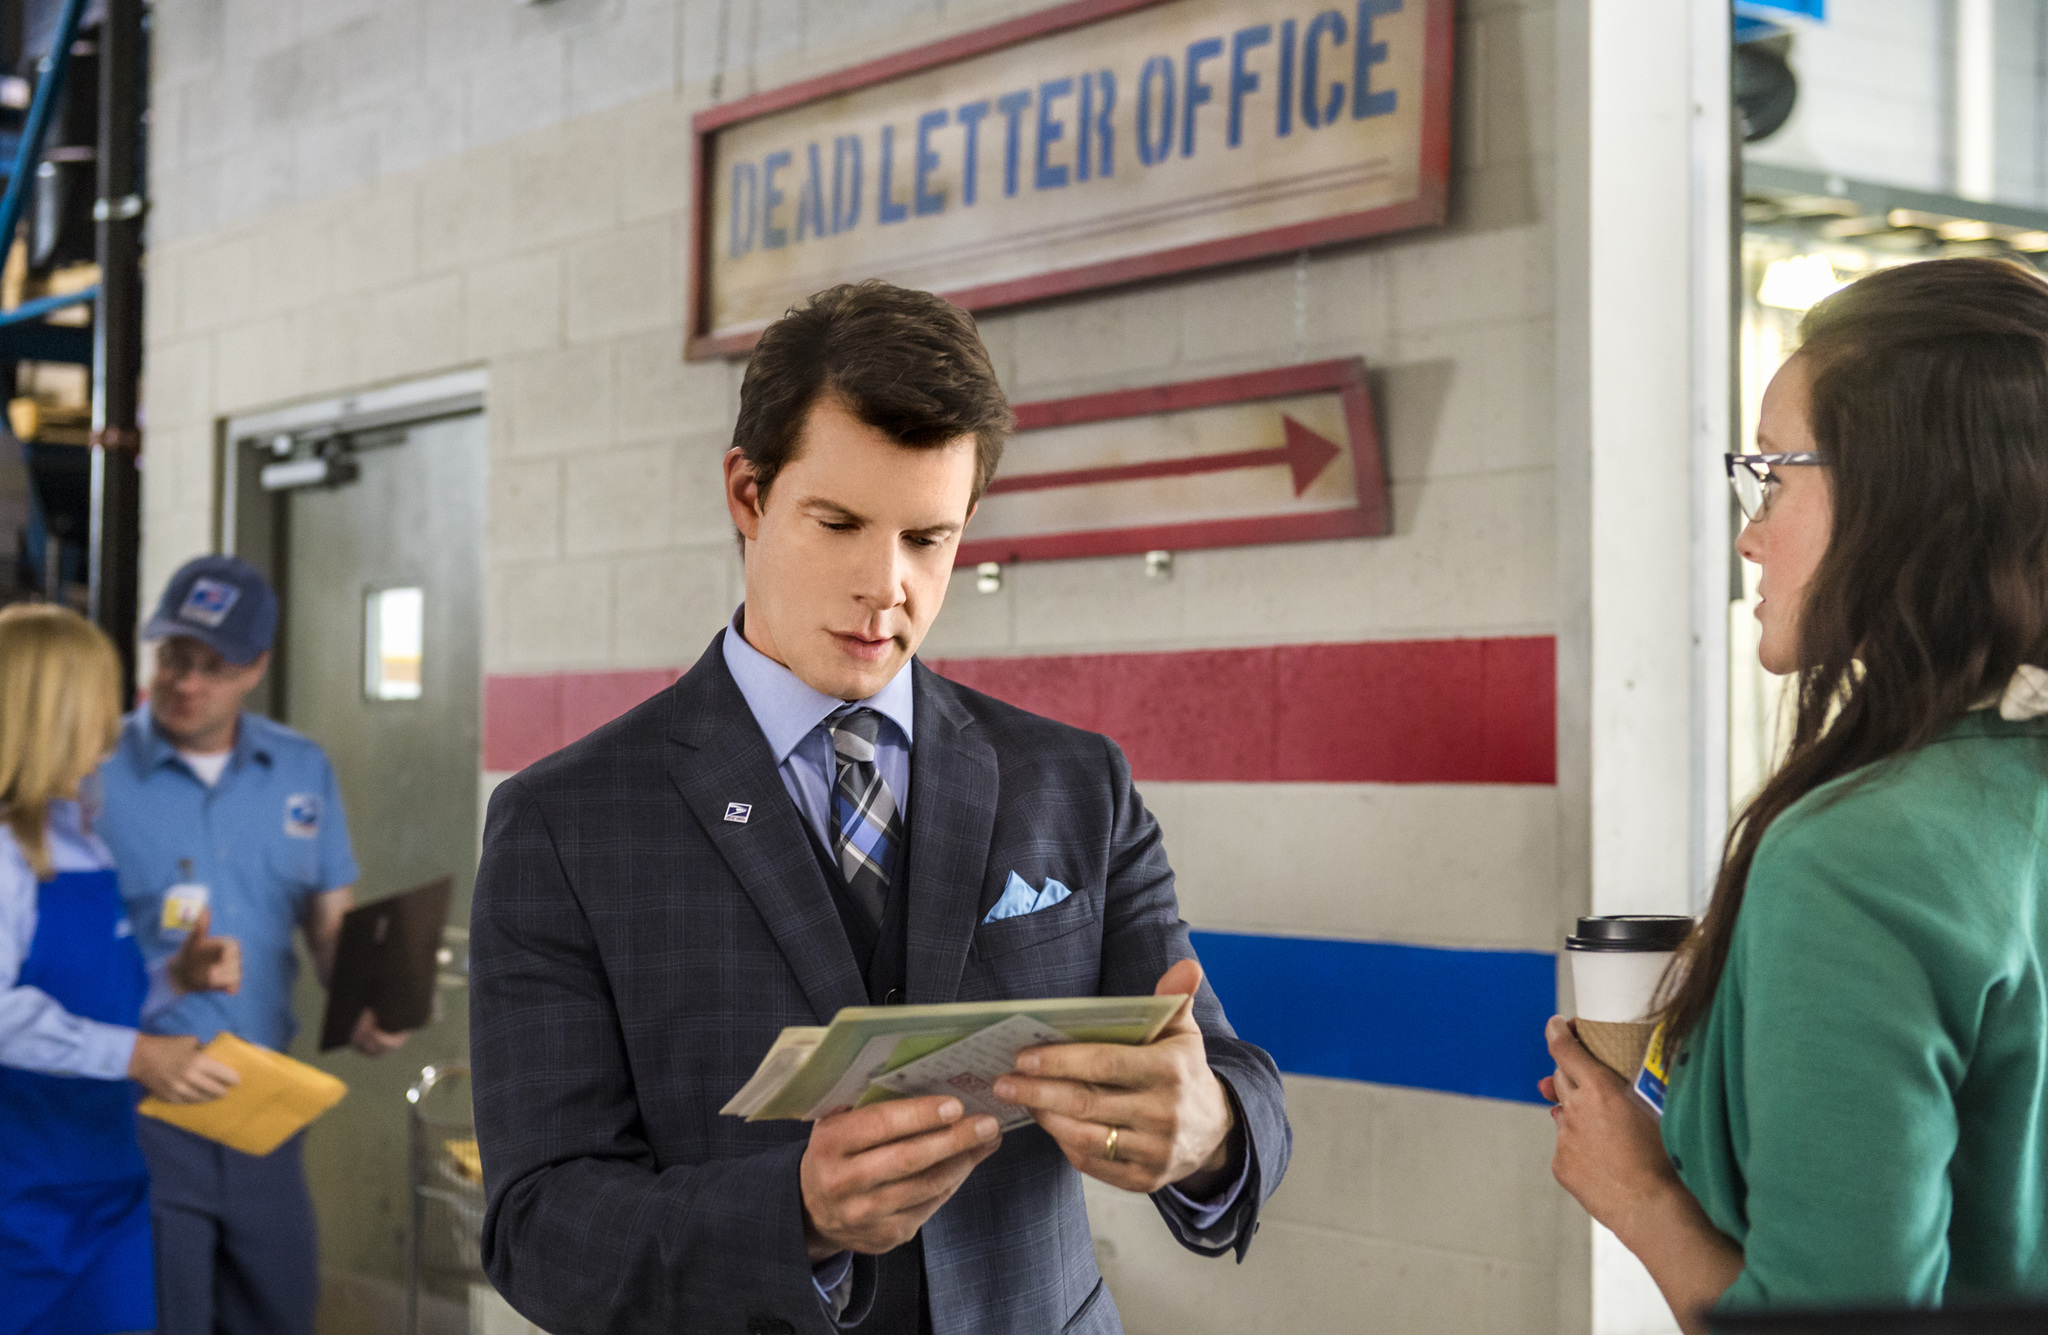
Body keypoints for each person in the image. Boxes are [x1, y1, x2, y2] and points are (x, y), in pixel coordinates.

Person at [469, 280, 1292, 1335]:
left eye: (926, 539)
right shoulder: (566, 826)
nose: (884, 585)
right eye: (840, 522)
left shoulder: (1075, 782)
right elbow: (539, 1230)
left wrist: (1208, 1129)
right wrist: (796, 1215)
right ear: (747, 496)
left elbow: (1230, 1078)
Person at [1543, 256, 2048, 1326]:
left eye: (1775, 472)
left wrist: (1638, 1195)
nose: (1746, 530)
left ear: (1907, 490)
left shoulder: (1855, 855)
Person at [95, 554, 413, 1335]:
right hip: (141, 1106)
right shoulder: (92, 773)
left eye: (212, 665)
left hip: (264, 1104)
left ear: (256, 668)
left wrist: (363, 998)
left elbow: (329, 927)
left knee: (278, 1308)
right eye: (173, 657)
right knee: (167, 1316)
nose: (186, 682)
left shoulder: (300, 770)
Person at [0, 604, 244, 1335]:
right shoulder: (5, 859)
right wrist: (137, 1055)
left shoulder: (81, 841)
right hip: (20, 1202)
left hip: (106, 1184)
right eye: (99, 699)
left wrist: (177, 977)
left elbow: (89, 996)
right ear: (51, 712)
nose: (115, 722)